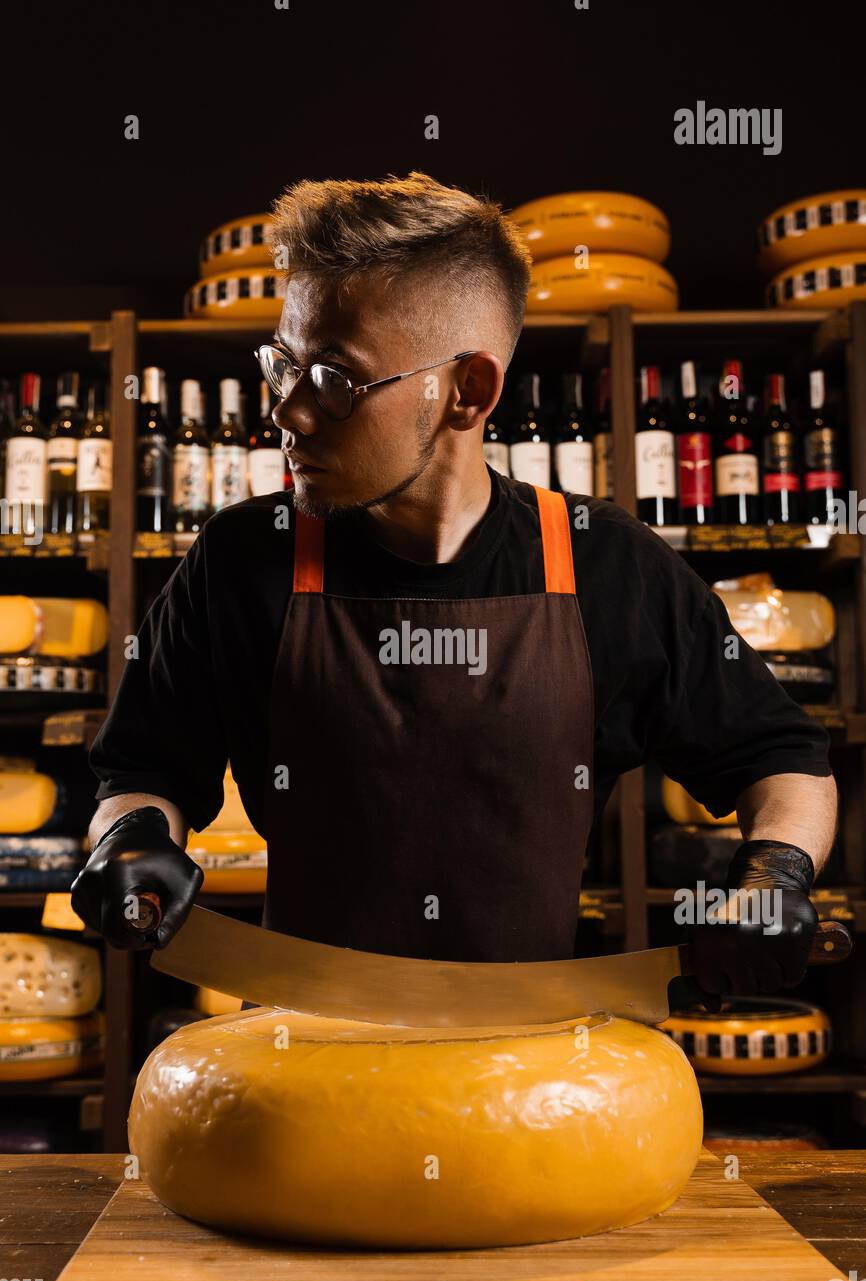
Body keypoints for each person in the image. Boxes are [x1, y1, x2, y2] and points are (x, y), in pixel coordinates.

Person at [72, 171, 837, 998]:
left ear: (466, 392)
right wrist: (131, 839)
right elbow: (141, 769)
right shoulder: (241, 558)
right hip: (302, 1058)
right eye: (281, 365)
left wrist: (774, 875)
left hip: (532, 1073)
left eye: (332, 380)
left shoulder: (604, 563)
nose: (288, 413)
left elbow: (782, 756)